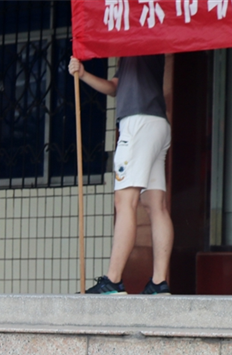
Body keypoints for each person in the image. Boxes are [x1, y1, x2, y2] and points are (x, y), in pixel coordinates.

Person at [69, 54, 173, 295]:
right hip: (156, 124)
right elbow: (114, 87)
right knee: (156, 205)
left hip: (138, 124)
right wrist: (83, 74)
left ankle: (113, 281)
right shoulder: (137, 51)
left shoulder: (137, 42)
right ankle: (159, 282)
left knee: (124, 201)